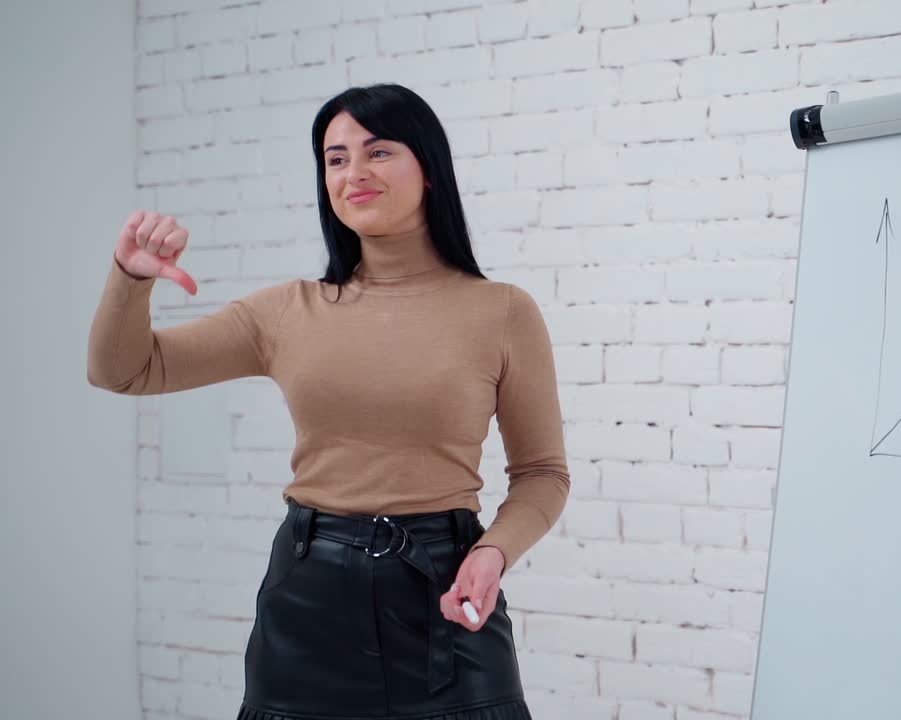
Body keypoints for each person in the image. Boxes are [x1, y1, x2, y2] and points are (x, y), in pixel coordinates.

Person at [86, 83, 570, 720]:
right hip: (306, 605)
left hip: (448, 594)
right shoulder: (287, 311)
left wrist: (492, 551)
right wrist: (131, 280)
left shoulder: (502, 312)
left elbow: (541, 474)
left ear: (429, 169)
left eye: (378, 151)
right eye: (336, 159)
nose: (354, 173)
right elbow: (124, 370)